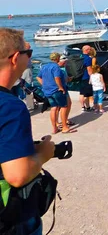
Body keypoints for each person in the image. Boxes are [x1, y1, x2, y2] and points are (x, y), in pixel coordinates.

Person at [0, 27, 55, 235]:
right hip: (9, 220)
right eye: (28, 53)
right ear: (15, 58)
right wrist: (43, 153)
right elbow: (17, 175)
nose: (29, 58)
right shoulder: (10, 107)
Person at [37, 53, 75, 134]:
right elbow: (57, 77)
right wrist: (60, 87)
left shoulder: (44, 66)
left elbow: (38, 77)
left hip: (48, 91)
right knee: (64, 106)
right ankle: (65, 127)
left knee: (54, 108)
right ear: (57, 58)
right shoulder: (56, 67)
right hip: (56, 90)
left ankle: (54, 128)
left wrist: (44, 85)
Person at [78, 45, 94, 112]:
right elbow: (89, 69)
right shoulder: (88, 58)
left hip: (79, 76)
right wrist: (92, 78)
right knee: (87, 94)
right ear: (87, 50)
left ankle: (82, 106)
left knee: (81, 93)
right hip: (86, 77)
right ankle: (87, 107)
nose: (90, 50)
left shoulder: (79, 57)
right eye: (90, 49)